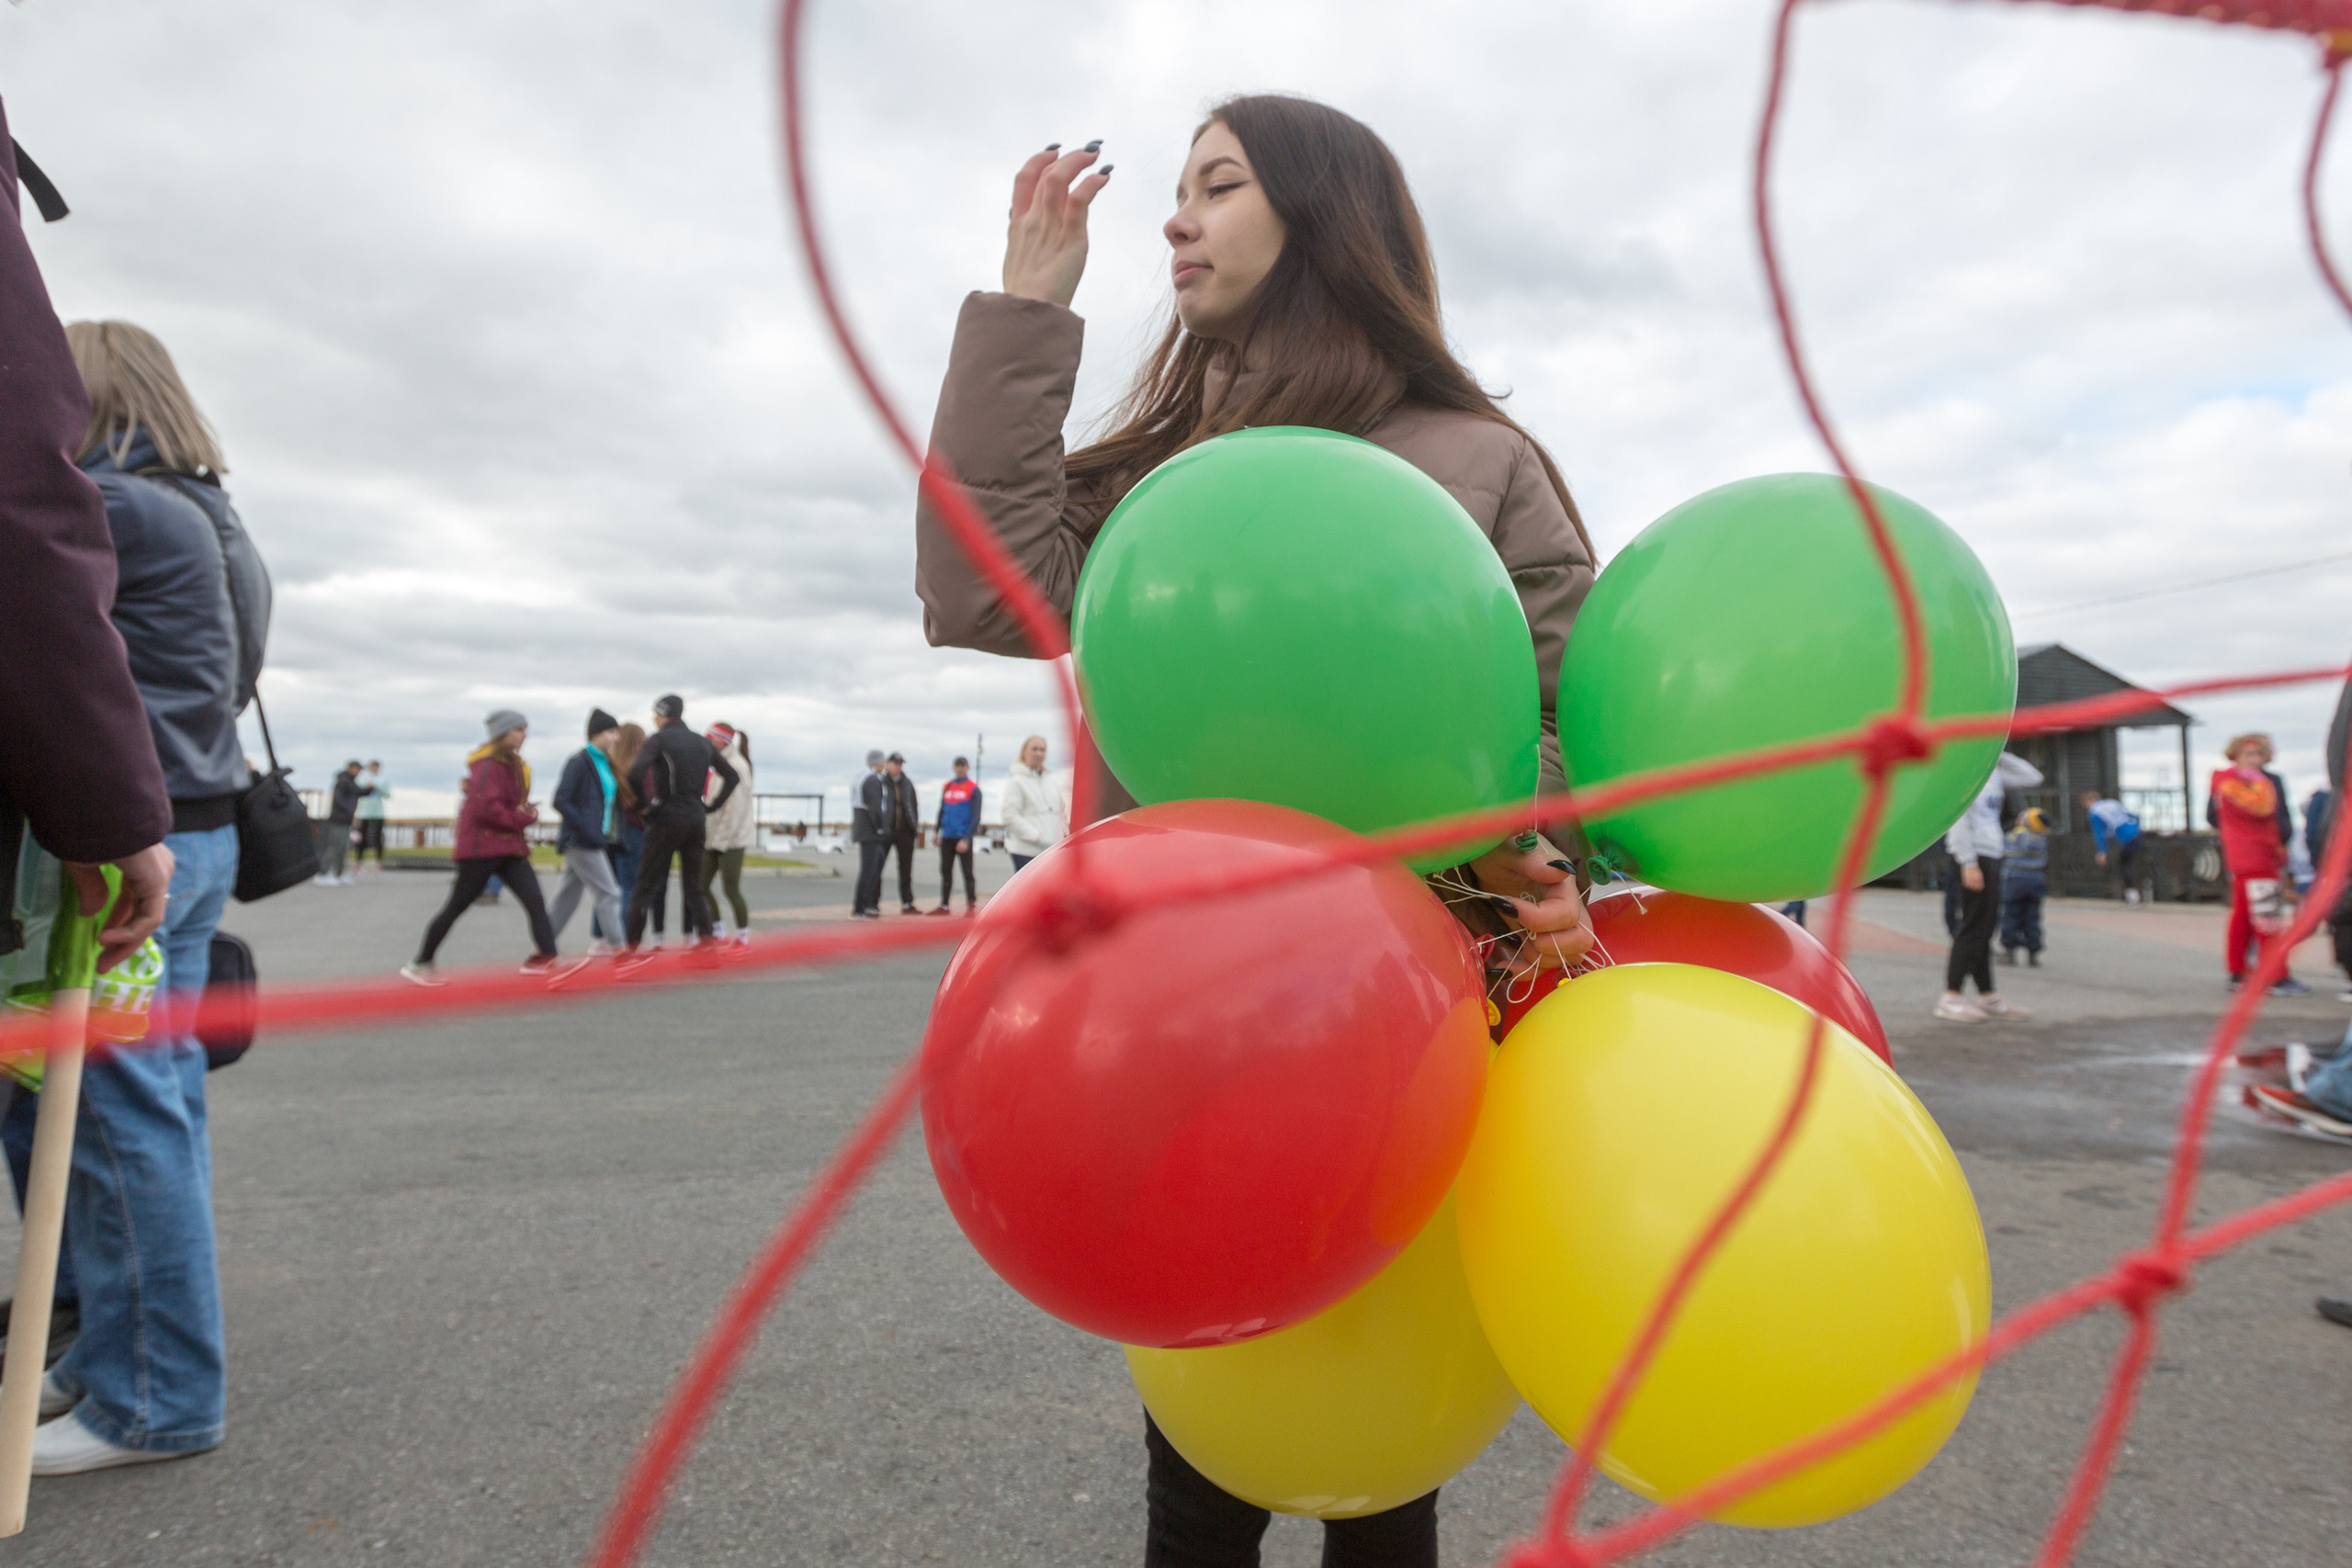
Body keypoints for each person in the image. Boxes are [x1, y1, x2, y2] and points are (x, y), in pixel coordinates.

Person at [910, 98, 1603, 1561]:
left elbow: (1572, 733)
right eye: (1175, 188)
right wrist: (1027, 307)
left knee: (1385, 1463)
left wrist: (1510, 839)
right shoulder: (1169, 475)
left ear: (1323, 219)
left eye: (1215, 186)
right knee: (1199, 1474)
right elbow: (983, 589)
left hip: (1400, 1020)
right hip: (1180, 1021)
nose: (1172, 218)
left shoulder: (1477, 460)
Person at [0, 313, 273, 1476]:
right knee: (146, 1104)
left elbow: (40, 630)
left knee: (109, 1114)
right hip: (198, 827)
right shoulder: (216, 517)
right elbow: (242, 665)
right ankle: (120, 1355)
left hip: (119, 843)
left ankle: (150, 1394)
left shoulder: (101, 508)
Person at [401, 712, 566, 984]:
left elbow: (501, 805)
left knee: (535, 903)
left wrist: (522, 813)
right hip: (482, 849)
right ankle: (420, 963)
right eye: (519, 730)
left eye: (525, 729)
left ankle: (547, 960)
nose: (525, 735)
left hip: (508, 847)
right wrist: (524, 817)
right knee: (456, 906)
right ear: (503, 733)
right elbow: (485, 809)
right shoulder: (486, 764)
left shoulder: (510, 763)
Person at [621, 694, 739, 960]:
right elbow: (732, 776)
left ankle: (630, 951)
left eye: (655, 713)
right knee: (694, 887)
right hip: (696, 819)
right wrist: (711, 806)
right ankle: (707, 948)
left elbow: (634, 774)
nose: (653, 718)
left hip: (665, 818)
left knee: (645, 886)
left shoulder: (659, 739)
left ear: (663, 713)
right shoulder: (701, 742)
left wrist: (645, 806)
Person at [1936, 751, 2042, 1021]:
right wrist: (1967, 862)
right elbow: (1957, 820)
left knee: (1985, 927)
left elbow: (2033, 777)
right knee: (1972, 926)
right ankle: (1951, 996)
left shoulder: (1993, 772)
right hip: (1973, 856)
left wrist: (1999, 753)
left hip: (1992, 853)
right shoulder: (1966, 775)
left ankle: (1987, 995)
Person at [2210, 733, 2309, 995]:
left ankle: (2238, 972)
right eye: (2248, 754)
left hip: (2244, 857)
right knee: (2268, 918)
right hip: (2257, 856)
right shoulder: (2243, 784)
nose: (2254, 761)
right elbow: (2264, 808)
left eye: (2259, 755)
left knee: (2242, 917)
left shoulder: (2222, 782)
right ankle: (2275, 976)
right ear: (2236, 756)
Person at [548, 708, 628, 955]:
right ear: (597, 733)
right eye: (612, 732)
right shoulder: (580, 762)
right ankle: (619, 950)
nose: (616, 738)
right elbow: (561, 800)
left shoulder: (603, 763)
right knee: (609, 892)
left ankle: (541, 952)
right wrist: (586, 827)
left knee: (566, 899)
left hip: (594, 838)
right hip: (581, 840)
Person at [699, 724, 756, 945]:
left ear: (722, 741)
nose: (706, 742)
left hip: (731, 840)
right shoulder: (720, 763)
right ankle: (718, 931)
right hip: (714, 837)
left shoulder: (738, 767)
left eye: (709, 738)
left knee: (731, 889)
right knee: (701, 886)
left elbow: (733, 811)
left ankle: (743, 936)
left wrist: (719, 842)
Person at [605, 723, 656, 946]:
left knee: (606, 888)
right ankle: (626, 941)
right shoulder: (643, 767)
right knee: (631, 888)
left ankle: (601, 939)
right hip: (634, 830)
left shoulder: (610, 764)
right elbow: (650, 797)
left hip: (610, 830)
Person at [1001, 736, 1068, 873]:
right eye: (1034, 749)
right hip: (1026, 851)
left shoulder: (1051, 782)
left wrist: (1061, 834)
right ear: (1024, 752)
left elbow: (1061, 811)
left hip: (1051, 850)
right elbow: (1009, 816)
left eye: (1042, 750)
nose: (1038, 753)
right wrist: (1036, 836)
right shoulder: (1016, 782)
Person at [1999, 807, 2050, 967]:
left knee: (2011, 915)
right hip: (2036, 879)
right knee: (2032, 917)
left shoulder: (2013, 836)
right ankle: (2033, 953)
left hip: (2014, 879)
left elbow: (2002, 850)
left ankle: (2009, 951)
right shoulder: (2041, 837)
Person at [933, 756, 982, 915]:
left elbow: (976, 817)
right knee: (945, 870)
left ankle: (971, 906)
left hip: (963, 837)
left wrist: (967, 838)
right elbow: (941, 809)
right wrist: (936, 830)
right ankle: (944, 905)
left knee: (967, 872)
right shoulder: (947, 786)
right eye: (957, 766)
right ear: (953, 767)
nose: (960, 769)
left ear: (968, 768)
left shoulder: (973, 789)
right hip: (947, 836)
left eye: (963, 766)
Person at [2080, 789, 2143, 904]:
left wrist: (2102, 851)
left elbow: (2099, 834)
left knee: (2124, 865)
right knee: (2134, 863)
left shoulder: (2095, 813)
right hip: (2137, 833)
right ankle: (2134, 892)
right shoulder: (2111, 803)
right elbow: (2132, 815)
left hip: (2126, 838)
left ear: (2089, 801)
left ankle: (2132, 895)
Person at [851, 750, 890, 919]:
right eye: (884, 762)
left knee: (877, 863)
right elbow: (875, 807)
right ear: (877, 763)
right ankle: (859, 908)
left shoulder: (860, 777)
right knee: (869, 869)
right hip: (870, 831)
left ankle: (867, 904)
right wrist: (880, 827)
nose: (885, 766)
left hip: (862, 828)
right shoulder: (872, 780)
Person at [883, 752, 922, 914]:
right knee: (878, 868)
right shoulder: (882, 783)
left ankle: (907, 903)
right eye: (895, 763)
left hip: (905, 831)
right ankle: (871, 904)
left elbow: (913, 806)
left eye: (900, 764)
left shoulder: (907, 783)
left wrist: (914, 827)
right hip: (886, 830)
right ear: (887, 764)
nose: (898, 767)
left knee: (906, 869)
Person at [315, 760, 363, 886]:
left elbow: (360, 792)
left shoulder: (351, 782)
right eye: (357, 769)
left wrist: (371, 789)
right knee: (335, 846)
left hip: (346, 819)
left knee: (343, 847)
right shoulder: (343, 781)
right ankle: (322, 874)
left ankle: (339, 874)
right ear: (351, 768)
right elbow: (339, 800)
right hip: (338, 819)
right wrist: (350, 813)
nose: (359, 772)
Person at [354, 759, 389, 874]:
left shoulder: (383, 780)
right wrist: (368, 786)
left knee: (378, 837)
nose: (375, 769)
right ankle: (359, 862)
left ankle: (379, 862)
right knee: (361, 837)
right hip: (364, 812)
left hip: (378, 813)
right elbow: (356, 790)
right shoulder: (362, 779)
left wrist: (377, 787)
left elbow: (388, 794)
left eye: (377, 767)